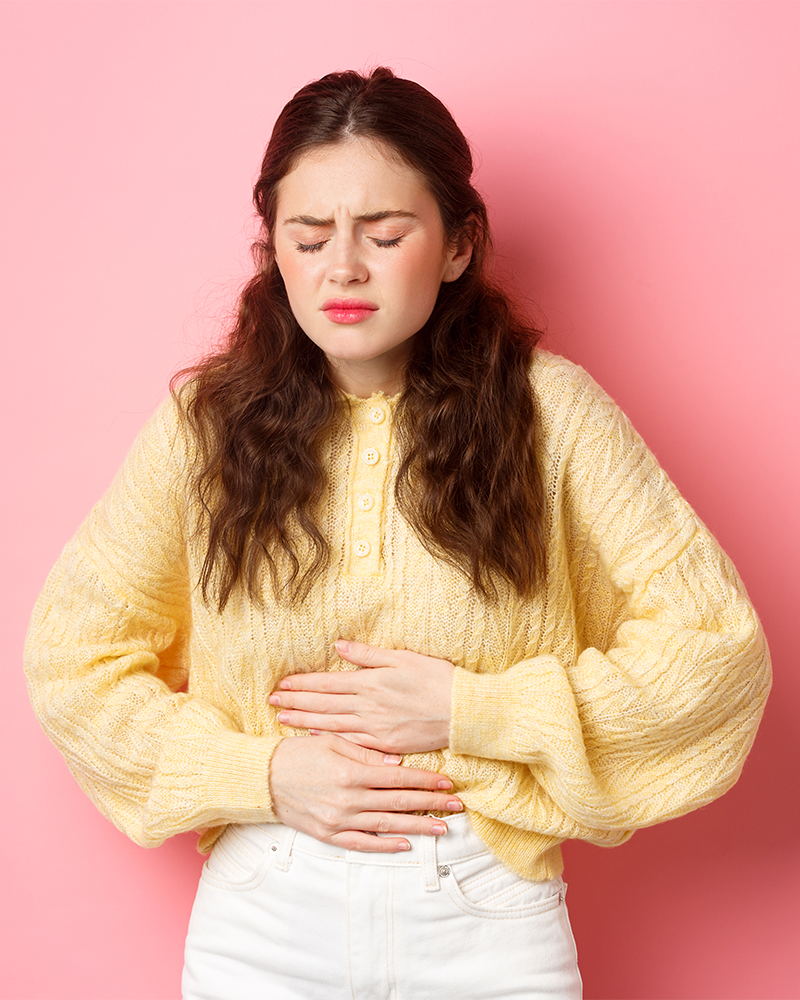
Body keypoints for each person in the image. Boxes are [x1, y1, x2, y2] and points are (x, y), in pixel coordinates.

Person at [24, 67, 770, 1000]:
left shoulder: (555, 415)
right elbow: (72, 657)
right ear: (273, 251)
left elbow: (716, 650)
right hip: (265, 914)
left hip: (486, 913)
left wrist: (474, 710)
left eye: (384, 235)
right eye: (309, 237)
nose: (344, 267)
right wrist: (261, 771)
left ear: (458, 246)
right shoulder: (204, 429)